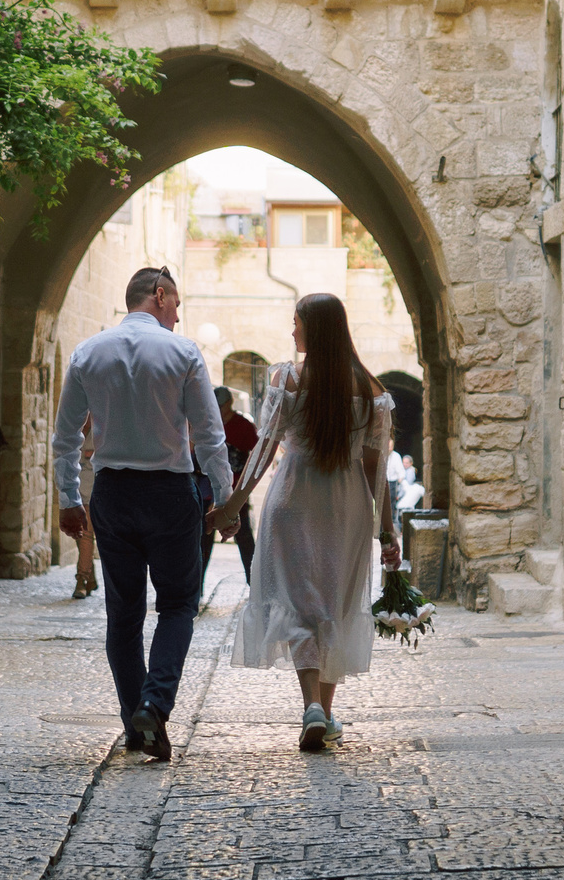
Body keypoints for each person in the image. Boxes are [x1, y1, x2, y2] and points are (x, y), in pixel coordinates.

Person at [53, 266, 232, 764]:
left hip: (113, 493)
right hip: (170, 494)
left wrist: (69, 498)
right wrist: (226, 498)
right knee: (177, 605)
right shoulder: (183, 352)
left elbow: (66, 435)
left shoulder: (89, 352)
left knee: (124, 613)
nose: (177, 316)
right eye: (175, 305)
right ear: (159, 295)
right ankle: (154, 704)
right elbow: (209, 434)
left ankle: (135, 721)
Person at [210, 292, 400, 753]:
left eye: (296, 322)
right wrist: (387, 529)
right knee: (332, 602)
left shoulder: (288, 379)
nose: (291, 330)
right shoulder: (372, 390)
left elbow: (264, 449)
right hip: (346, 507)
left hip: (293, 501)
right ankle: (325, 713)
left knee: (298, 602)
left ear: (314, 329)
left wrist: (234, 504)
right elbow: (377, 468)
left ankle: (314, 706)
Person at [213, 384, 259, 581]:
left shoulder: (243, 426)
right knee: (202, 538)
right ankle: (195, 590)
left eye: (221, 406)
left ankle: (254, 581)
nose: (219, 410)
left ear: (229, 403)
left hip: (237, 488)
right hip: (210, 488)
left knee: (244, 536)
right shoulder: (210, 423)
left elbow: (257, 454)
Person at [69, 413, 100, 598]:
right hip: (73, 487)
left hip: (91, 488)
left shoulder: (102, 428)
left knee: (86, 534)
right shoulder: (72, 428)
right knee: (78, 534)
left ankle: (81, 579)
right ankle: (92, 577)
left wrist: (89, 454)